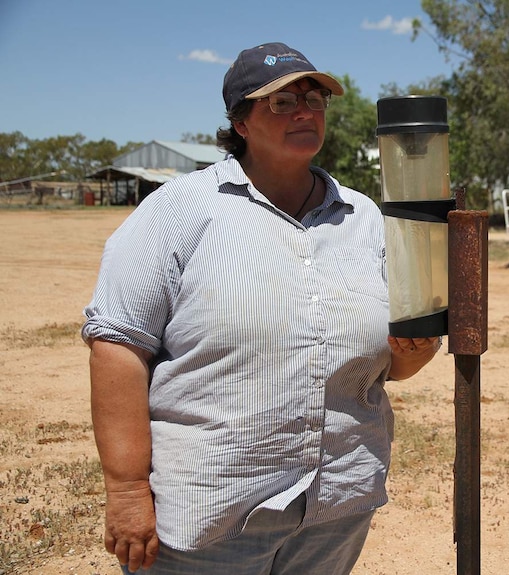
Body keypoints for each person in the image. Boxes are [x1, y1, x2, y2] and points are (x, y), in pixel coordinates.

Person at [82, 41, 441, 574]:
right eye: (280, 102)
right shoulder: (179, 211)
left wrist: (414, 349)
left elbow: (394, 366)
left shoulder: (363, 218)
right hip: (212, 518)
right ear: (240, 122)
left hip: (334, 508)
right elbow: (117, 347)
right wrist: (129, 490)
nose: (304, 111)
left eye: (315, 99)